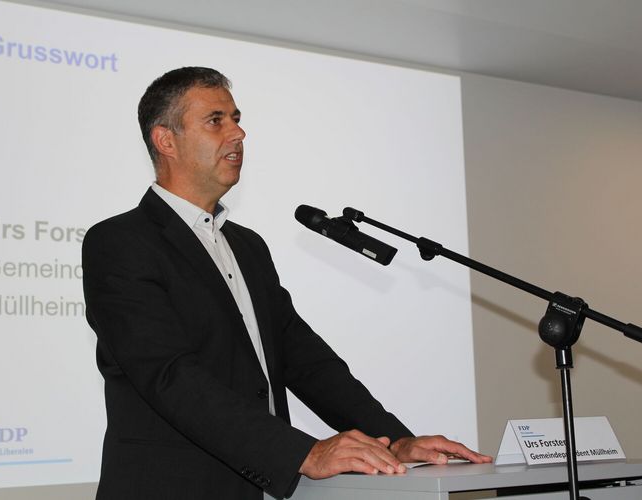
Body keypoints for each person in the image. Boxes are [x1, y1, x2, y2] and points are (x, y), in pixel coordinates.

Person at [82, 66, 491, 500]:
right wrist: (302, 452)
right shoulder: (120, 242)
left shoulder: (247, 246)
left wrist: (394, 440)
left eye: (236, 119)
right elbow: (169, 375)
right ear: (166, 140)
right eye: (216, 120)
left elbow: (305, 360)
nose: (238, 133)